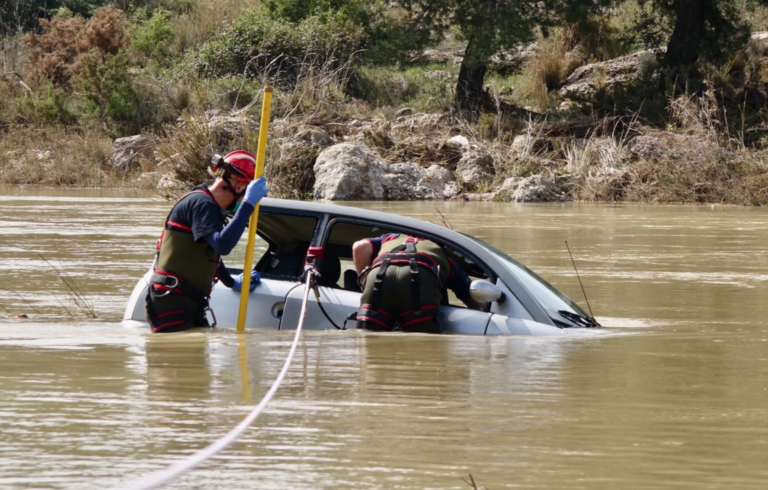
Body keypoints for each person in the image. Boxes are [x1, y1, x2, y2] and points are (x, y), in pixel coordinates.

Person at [146, 150, 268, 333]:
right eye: (246, 194)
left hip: (183, 300)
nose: (243, 200)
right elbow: (222, 245)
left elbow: (209, 253)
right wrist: (248, 205)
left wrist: (231, 282)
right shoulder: (202, 203)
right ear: (240, 188)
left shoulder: (207, 205)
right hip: (172, 302)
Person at [352, 234, 483, 334]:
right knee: (423, 351)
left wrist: (365, 285)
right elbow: (475, 300)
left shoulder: (390, 237)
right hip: (420, 280)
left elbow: (359, 247)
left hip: (378, 277)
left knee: (369, 343)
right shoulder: (441, 250)